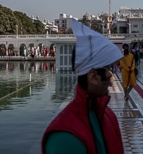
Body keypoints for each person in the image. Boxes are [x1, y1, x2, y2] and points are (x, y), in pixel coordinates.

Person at [42, 20, 125, 154]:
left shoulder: (108, 116)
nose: (110, 74)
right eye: (107, 68)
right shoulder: (65, 137)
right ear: (93, 77)